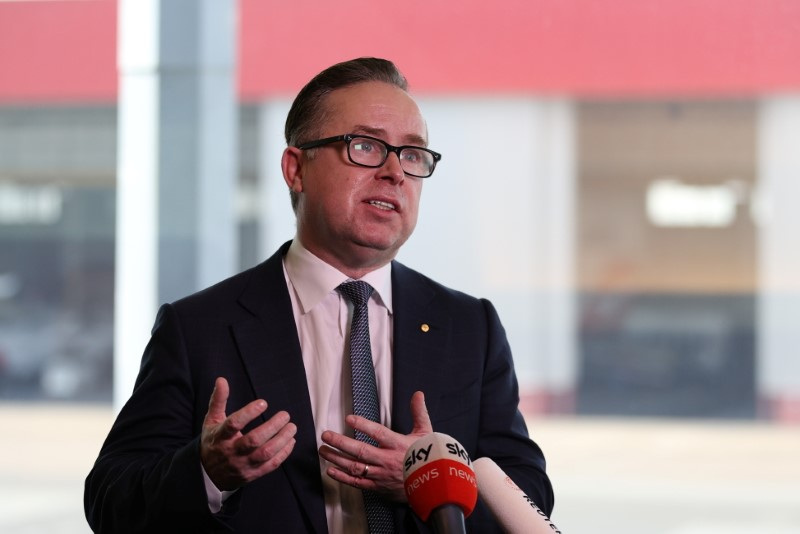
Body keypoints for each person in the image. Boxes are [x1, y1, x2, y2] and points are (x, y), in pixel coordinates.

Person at [84, 57, 554, 533]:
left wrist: (430, 480)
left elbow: (530, 496)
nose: (395, 172)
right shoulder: (198, 329)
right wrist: (207, 472)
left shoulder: (469, 326)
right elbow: (111, 500)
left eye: (412, 154)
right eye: (366, 146)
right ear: (296, 169)